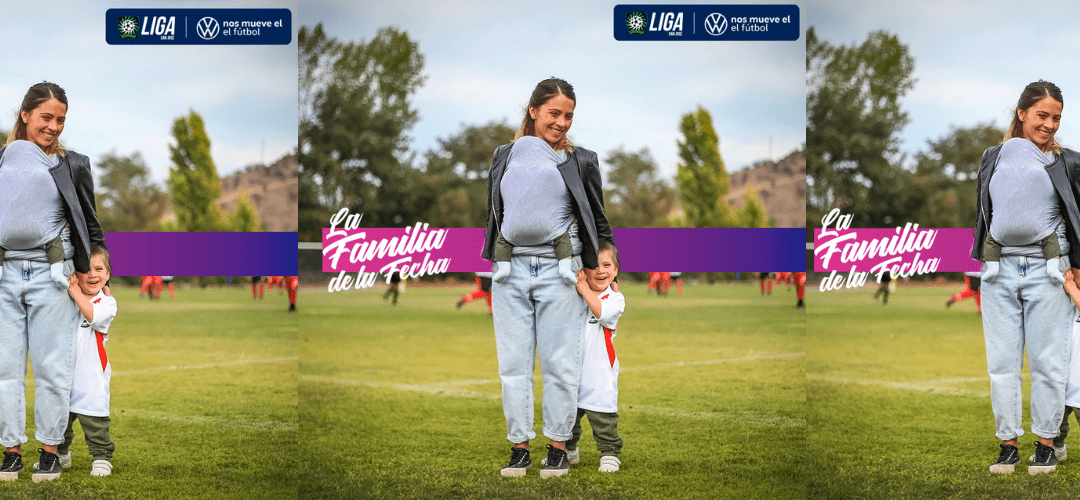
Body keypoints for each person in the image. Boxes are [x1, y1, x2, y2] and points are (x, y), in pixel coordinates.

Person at [482, 77, 613, 478]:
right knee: (513, 365)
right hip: (511, 271)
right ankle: (519, 448)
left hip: (563, 271)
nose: (561, 123)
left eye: (568, 116)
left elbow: (598, 216)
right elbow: (497, 210)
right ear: (533, 110)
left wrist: (602, 264)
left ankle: (558, 448)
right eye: (554, 113)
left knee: (560, 363)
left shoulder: (582, 159)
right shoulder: (504, 154)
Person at [0, 82, 108, 482]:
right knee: (5, 370)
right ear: (25, 115)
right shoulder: (1, 161)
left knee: (51, 369)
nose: (54, 126)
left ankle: (48, 452)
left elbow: (91, 225)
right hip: (4, 275)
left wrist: (95, 270)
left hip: (54, 276)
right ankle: (10, 452)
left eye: (60, 119)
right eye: (46, 117)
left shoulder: (73, 163)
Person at [973, 80, 1080, 474]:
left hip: (1049, 271)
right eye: (1042, 115)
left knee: (1049, 363)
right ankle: (1008, 446)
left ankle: (1047, 444)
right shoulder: (992, 157)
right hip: (998, 271)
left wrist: (1077, 266)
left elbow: (1078, 216)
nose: (1050, 124)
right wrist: (983, 257)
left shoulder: (1066, 161)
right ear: (1021, 114)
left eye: (1056, 118)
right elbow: (984, 211)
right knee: (1001, 364)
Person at [56, 245, 116, 477]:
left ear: (108, 274)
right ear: (74, 274)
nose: (92, 275)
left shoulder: (108, 303)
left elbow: (93, 317)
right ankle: (60, 454)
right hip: (62, 373)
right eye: (85, 269)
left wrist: (75, 293)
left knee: (95, 420)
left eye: (99, 269)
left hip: (92, 376)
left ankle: (101, 457)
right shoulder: (65, 299)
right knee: (60, 419)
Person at [565, 241, 625, 472]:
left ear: (616, 270)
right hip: (571, 369)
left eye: (607, 265)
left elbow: (600, 312)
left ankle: (610, 453)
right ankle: (568, 451)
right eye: (593, 265)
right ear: (583, 270)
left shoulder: (615, 299)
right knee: (568, 415)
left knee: (603, 415)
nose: (601, 271)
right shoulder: (574, 295)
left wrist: (583, 288)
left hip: (600, 371)